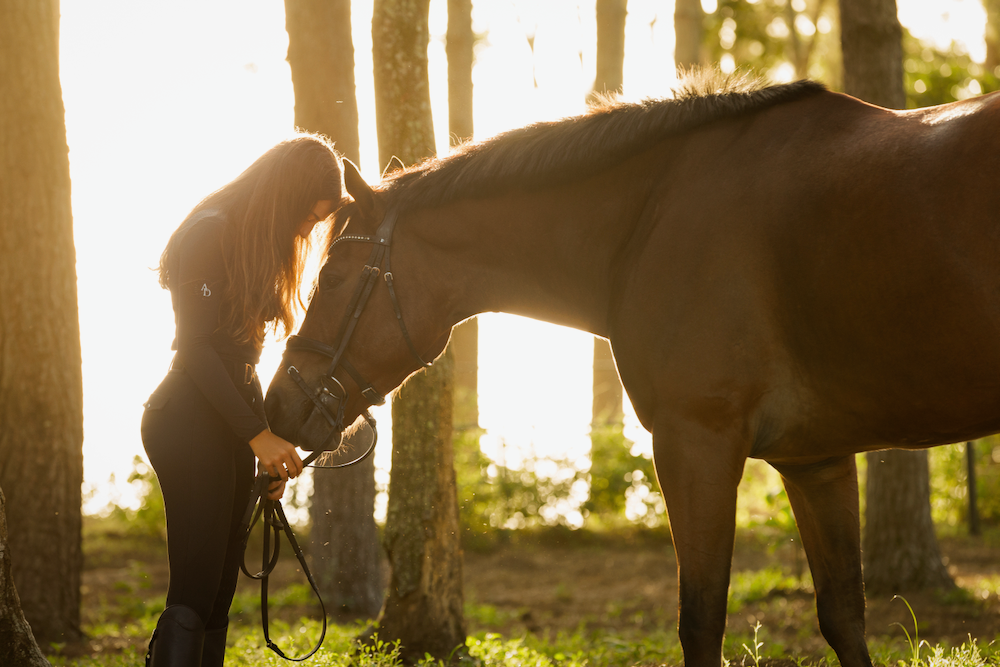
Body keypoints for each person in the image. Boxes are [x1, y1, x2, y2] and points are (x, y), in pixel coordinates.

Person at [140, 135, 341, 666]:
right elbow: (199, 351)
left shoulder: (254, 243)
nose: (307, 230)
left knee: (219, 596)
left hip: (226, 422)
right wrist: (257, 434)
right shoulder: (210, 233)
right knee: (195, 590)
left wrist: (266, 445)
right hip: (185, 419)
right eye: (307, 216)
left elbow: (244, 363)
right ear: (284, 195)